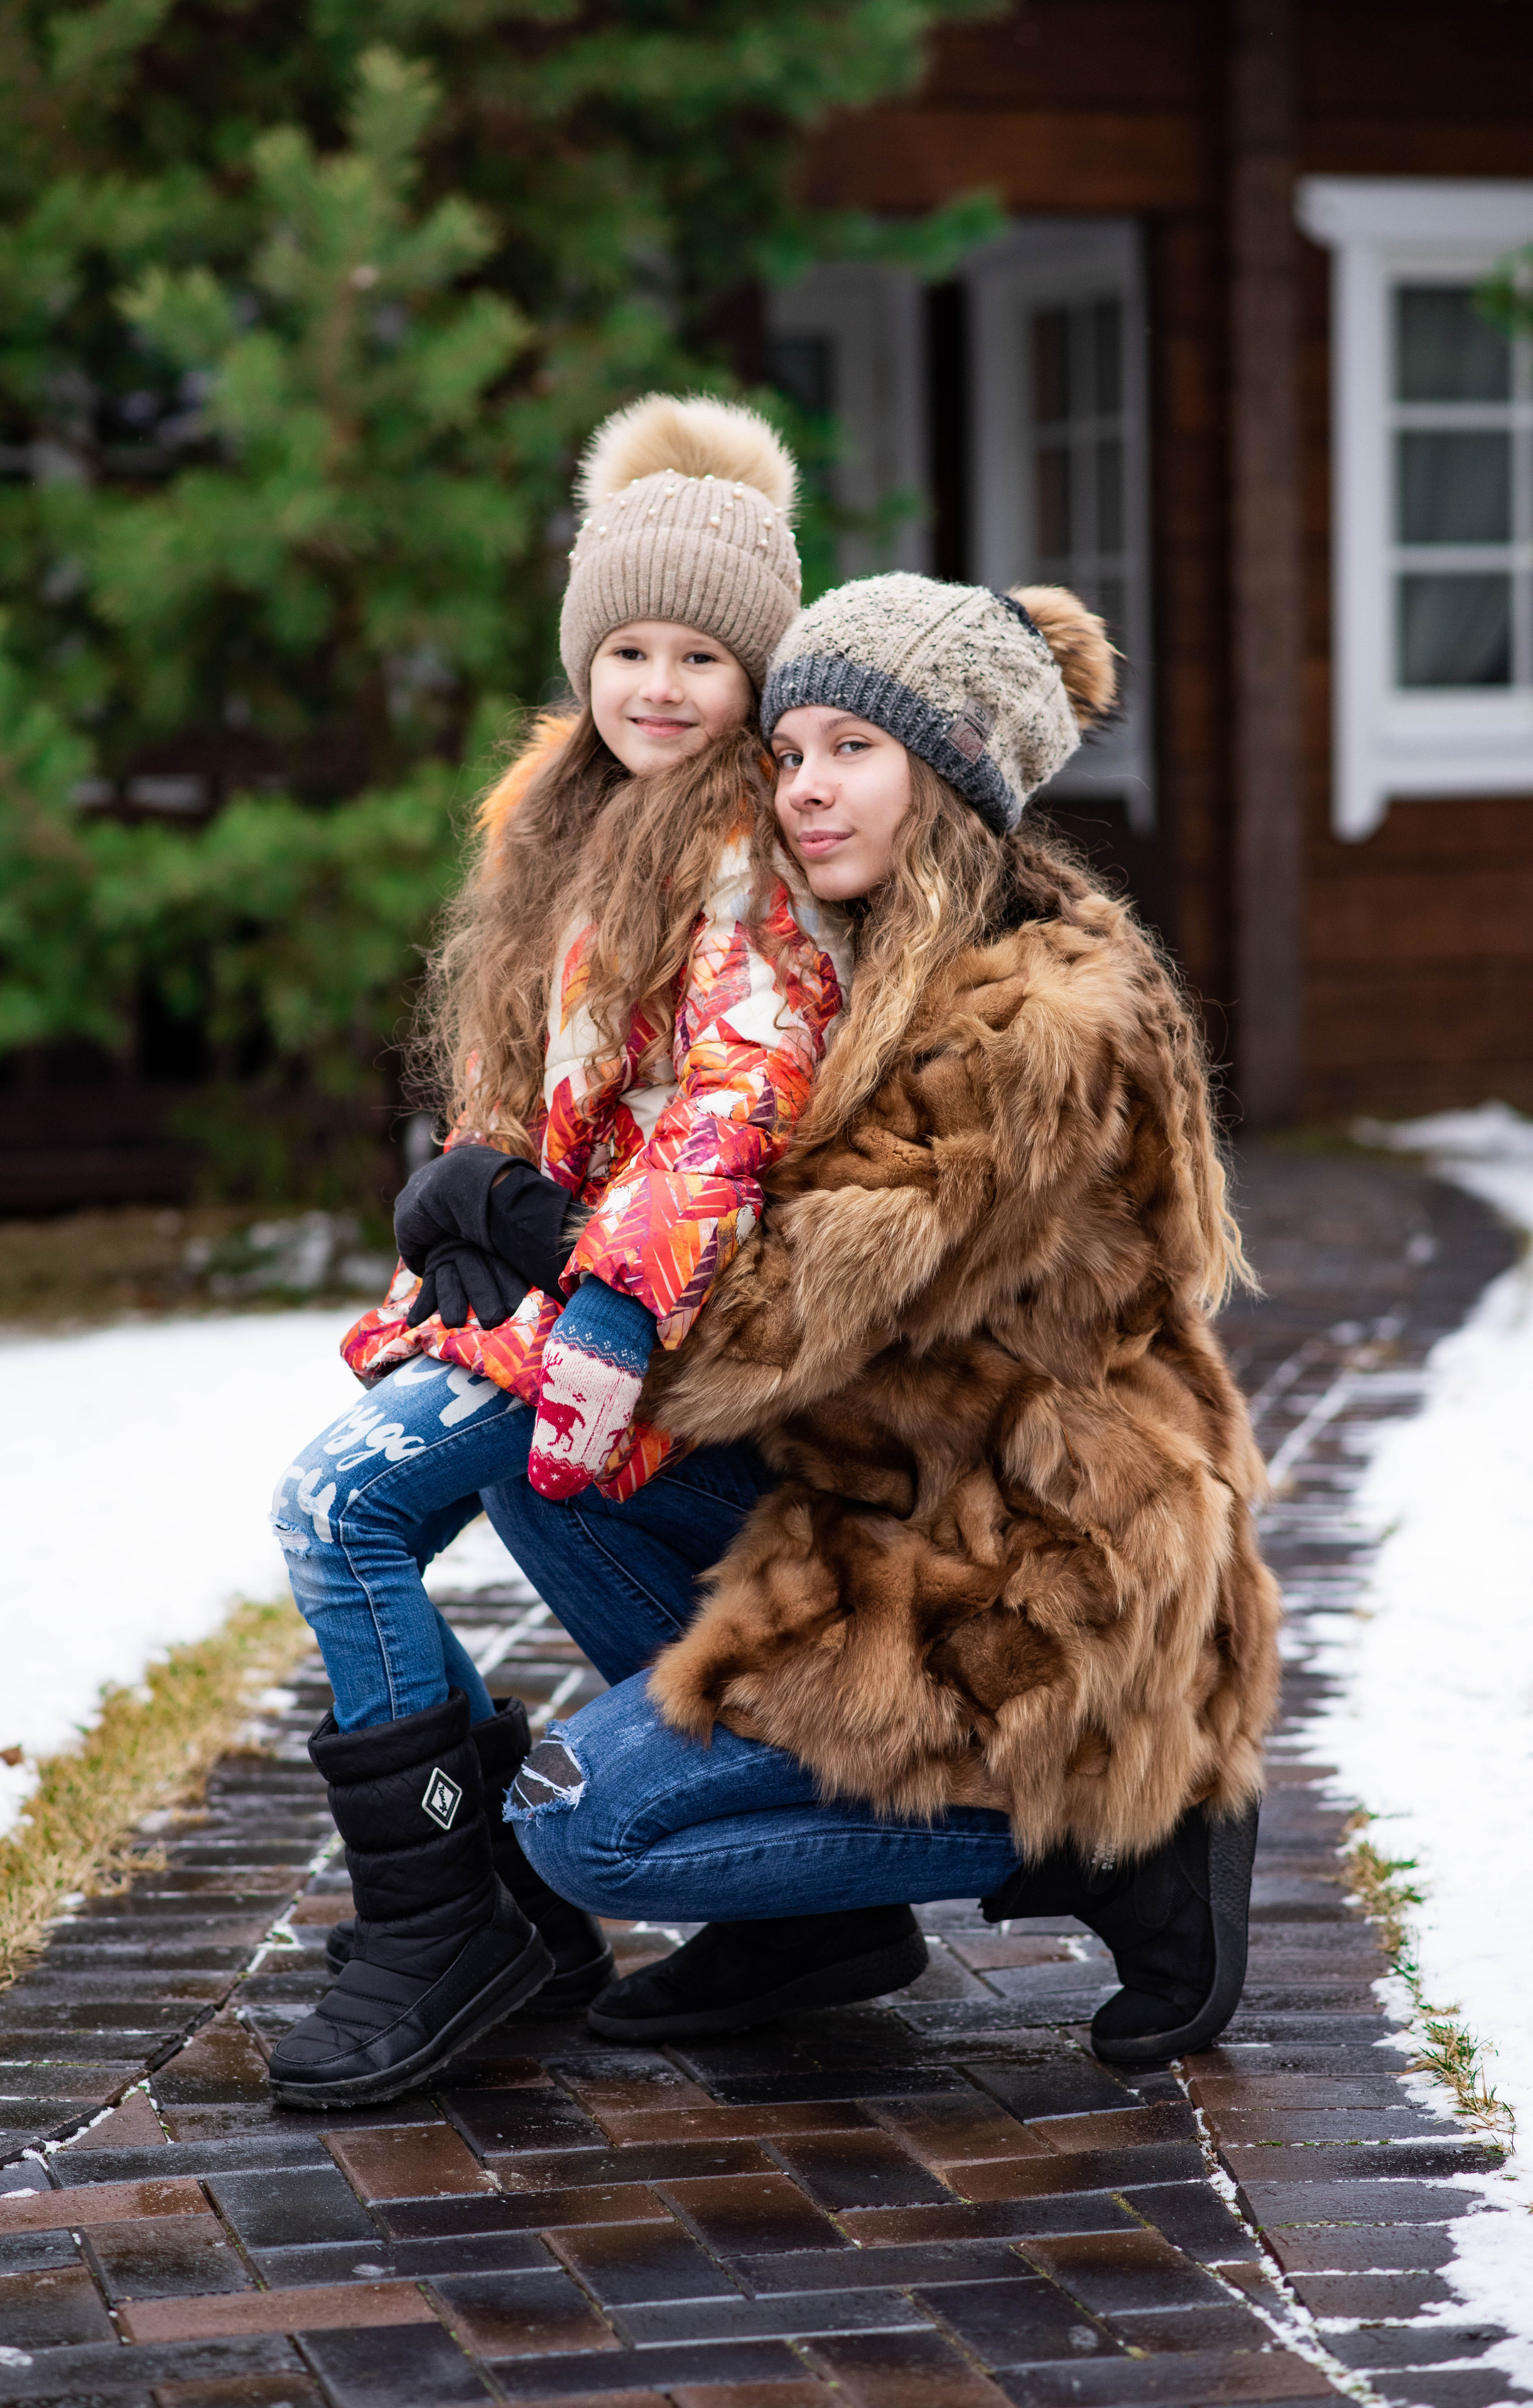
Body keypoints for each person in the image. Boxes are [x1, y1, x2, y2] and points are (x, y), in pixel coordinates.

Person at [486, 571, 1281, 2067]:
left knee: (583, 1832)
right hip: (876, 1492)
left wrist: (549, 1239)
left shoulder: (1026, 1028)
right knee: (544, 1468)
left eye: (850, 749)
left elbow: (764, 1317)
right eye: (786, 755)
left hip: (1030, 1563)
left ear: (954, 769)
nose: (802, 790)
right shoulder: (852, 963)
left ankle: (1111, 1843)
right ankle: (809, 1918)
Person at [264, 395, 852, 2110]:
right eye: (627, 649)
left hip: (649, 1296)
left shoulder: (750, 843)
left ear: (756, 677)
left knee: (340, 1507)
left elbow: (742, 1084)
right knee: (402, 1510)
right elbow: (545, 1070)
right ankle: (506, 1897)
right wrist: (456, 1176)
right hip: (547, 1267)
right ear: (583, 655)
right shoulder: (563, 817)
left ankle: (455, 1916)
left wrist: (599, 1287)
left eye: (701, 656)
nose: (658, 686)